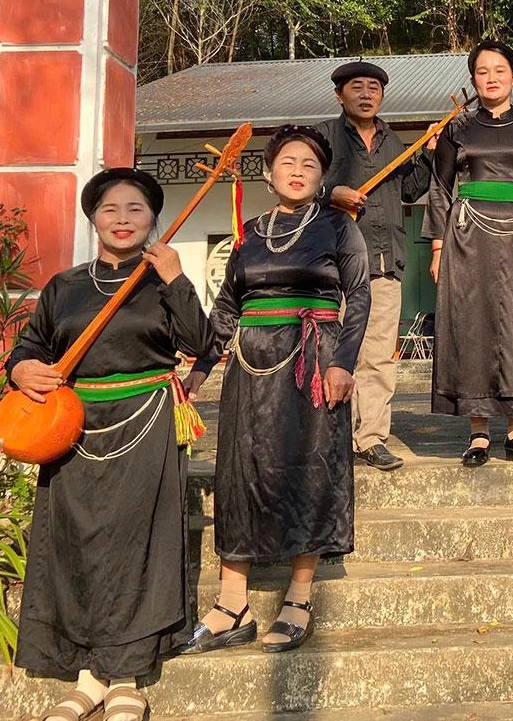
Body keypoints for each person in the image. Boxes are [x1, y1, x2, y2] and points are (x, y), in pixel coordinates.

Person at [9, 168, 213, 721]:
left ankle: (125, 676)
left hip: (145, 424)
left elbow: (202, 343)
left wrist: (176, 279)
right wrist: (22, 369)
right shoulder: (65, 286)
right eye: (110, 209)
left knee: (136, 546)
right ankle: (85, 675)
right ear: (94, 219)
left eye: (136, 209)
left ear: (153, 219)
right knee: (75, 543)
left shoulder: (163, 280)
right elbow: (29, 348)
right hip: (73, 427)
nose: (123, 219)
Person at [178, 125, 370, 655]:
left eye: (309, 164)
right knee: (240, 471)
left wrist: (342, 363)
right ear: (269, 172)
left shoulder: (338, 227)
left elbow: (358, 296)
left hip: (313, 360)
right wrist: (201, 367)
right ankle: (231, 603)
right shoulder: (249, 231)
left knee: (310, 467)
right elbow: (226, 307)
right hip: (252, 364)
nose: (298, 170)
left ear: (321, 176)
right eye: (288, 161)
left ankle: (299, 595)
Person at [423, 39, 513, 467]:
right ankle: (478, 432)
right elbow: (440, 188)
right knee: (473, 323)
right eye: (483, 71)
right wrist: (437, 246)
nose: (492, 78)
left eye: (500, 70)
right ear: (473, 79)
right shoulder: (458, 129)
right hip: (468, 237)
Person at [319, 60, 432, 472]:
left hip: (385, 262)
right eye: (357, 87)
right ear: (339, 95)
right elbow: (295, 180)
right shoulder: (324, 136)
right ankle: (331, 437)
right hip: (333, 266)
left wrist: (428, 156)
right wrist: (331, 193)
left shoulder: (393, 140)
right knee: (331, 353)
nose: (366, 94)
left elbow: (411, 190)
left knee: (380, 356)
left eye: (374, 88)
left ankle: (370, 438)